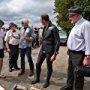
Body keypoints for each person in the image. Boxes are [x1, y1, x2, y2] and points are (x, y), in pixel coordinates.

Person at [60, 7, 90, 90]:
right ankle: (69, 86)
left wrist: (87, 57)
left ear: (77, 15)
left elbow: (88, 41)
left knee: (78, 74)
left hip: (79, 54)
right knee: (70, 72)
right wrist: (69, 49)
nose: (70, 18)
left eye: (71, 16)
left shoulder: (85, 24)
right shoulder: (76, 25)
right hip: (72, 53)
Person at [31, 14, 60, 88]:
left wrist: (55, 54)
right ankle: (37, 78)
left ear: (43, 20)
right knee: (38, 64)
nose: (40, 21)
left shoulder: (53, 28)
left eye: (40, 20)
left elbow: (57, 41)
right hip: (42, 50)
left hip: (50, 51)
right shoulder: (44, 27)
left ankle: (47, 81)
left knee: (49, 66)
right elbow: (44, 39)